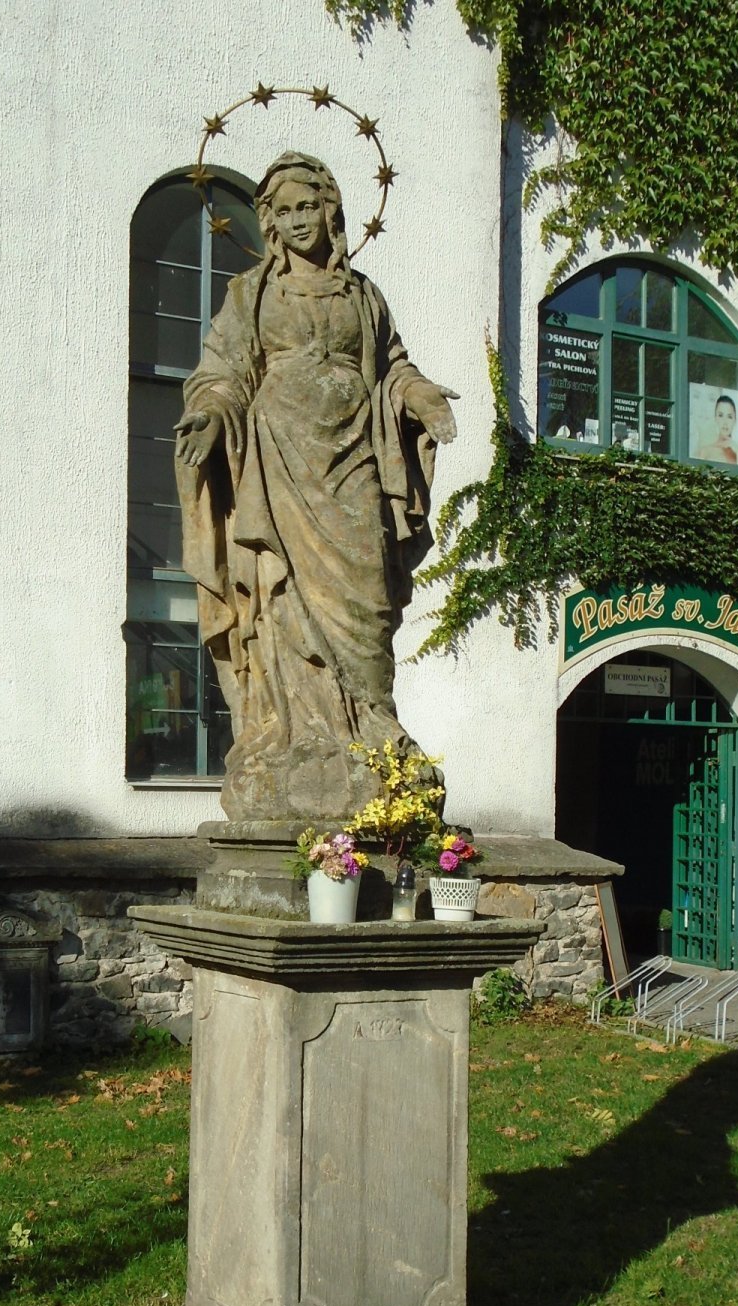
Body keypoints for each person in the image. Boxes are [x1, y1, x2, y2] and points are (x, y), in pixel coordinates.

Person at [174, 151, 457, 821]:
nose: (299, 220)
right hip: (277, 461)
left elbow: (392, 365)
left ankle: (372, 730)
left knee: (366, 601)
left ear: (330, 211)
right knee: (283, 598)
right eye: (284, 210)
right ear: (268, 221)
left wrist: (419, 397)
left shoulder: (363, 294)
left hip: (356, 456)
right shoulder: (251, 294)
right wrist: (213, 414)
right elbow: (223, 371)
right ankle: (291, 737)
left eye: (309, 206)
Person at [698, 393, 738, 464]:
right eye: (721, 415)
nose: (725, 422)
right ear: (715, 418)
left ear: (735, 420)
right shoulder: (705, 452)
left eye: (729, 417)